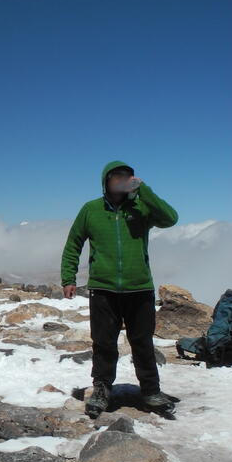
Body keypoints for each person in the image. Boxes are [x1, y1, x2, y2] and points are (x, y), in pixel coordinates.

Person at [60, 160, 179, 417]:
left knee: (142, 343)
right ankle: (102, 390)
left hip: (139, 288)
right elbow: (74, 243)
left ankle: (150, 391)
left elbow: (171, 218)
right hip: (103, 289)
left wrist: (144, 191)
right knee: (103, 343)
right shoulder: (91, 210)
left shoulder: (141, 208)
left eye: (127, 177)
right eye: (117, 177)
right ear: (106, 181)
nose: (122, 181)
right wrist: (68, 277)